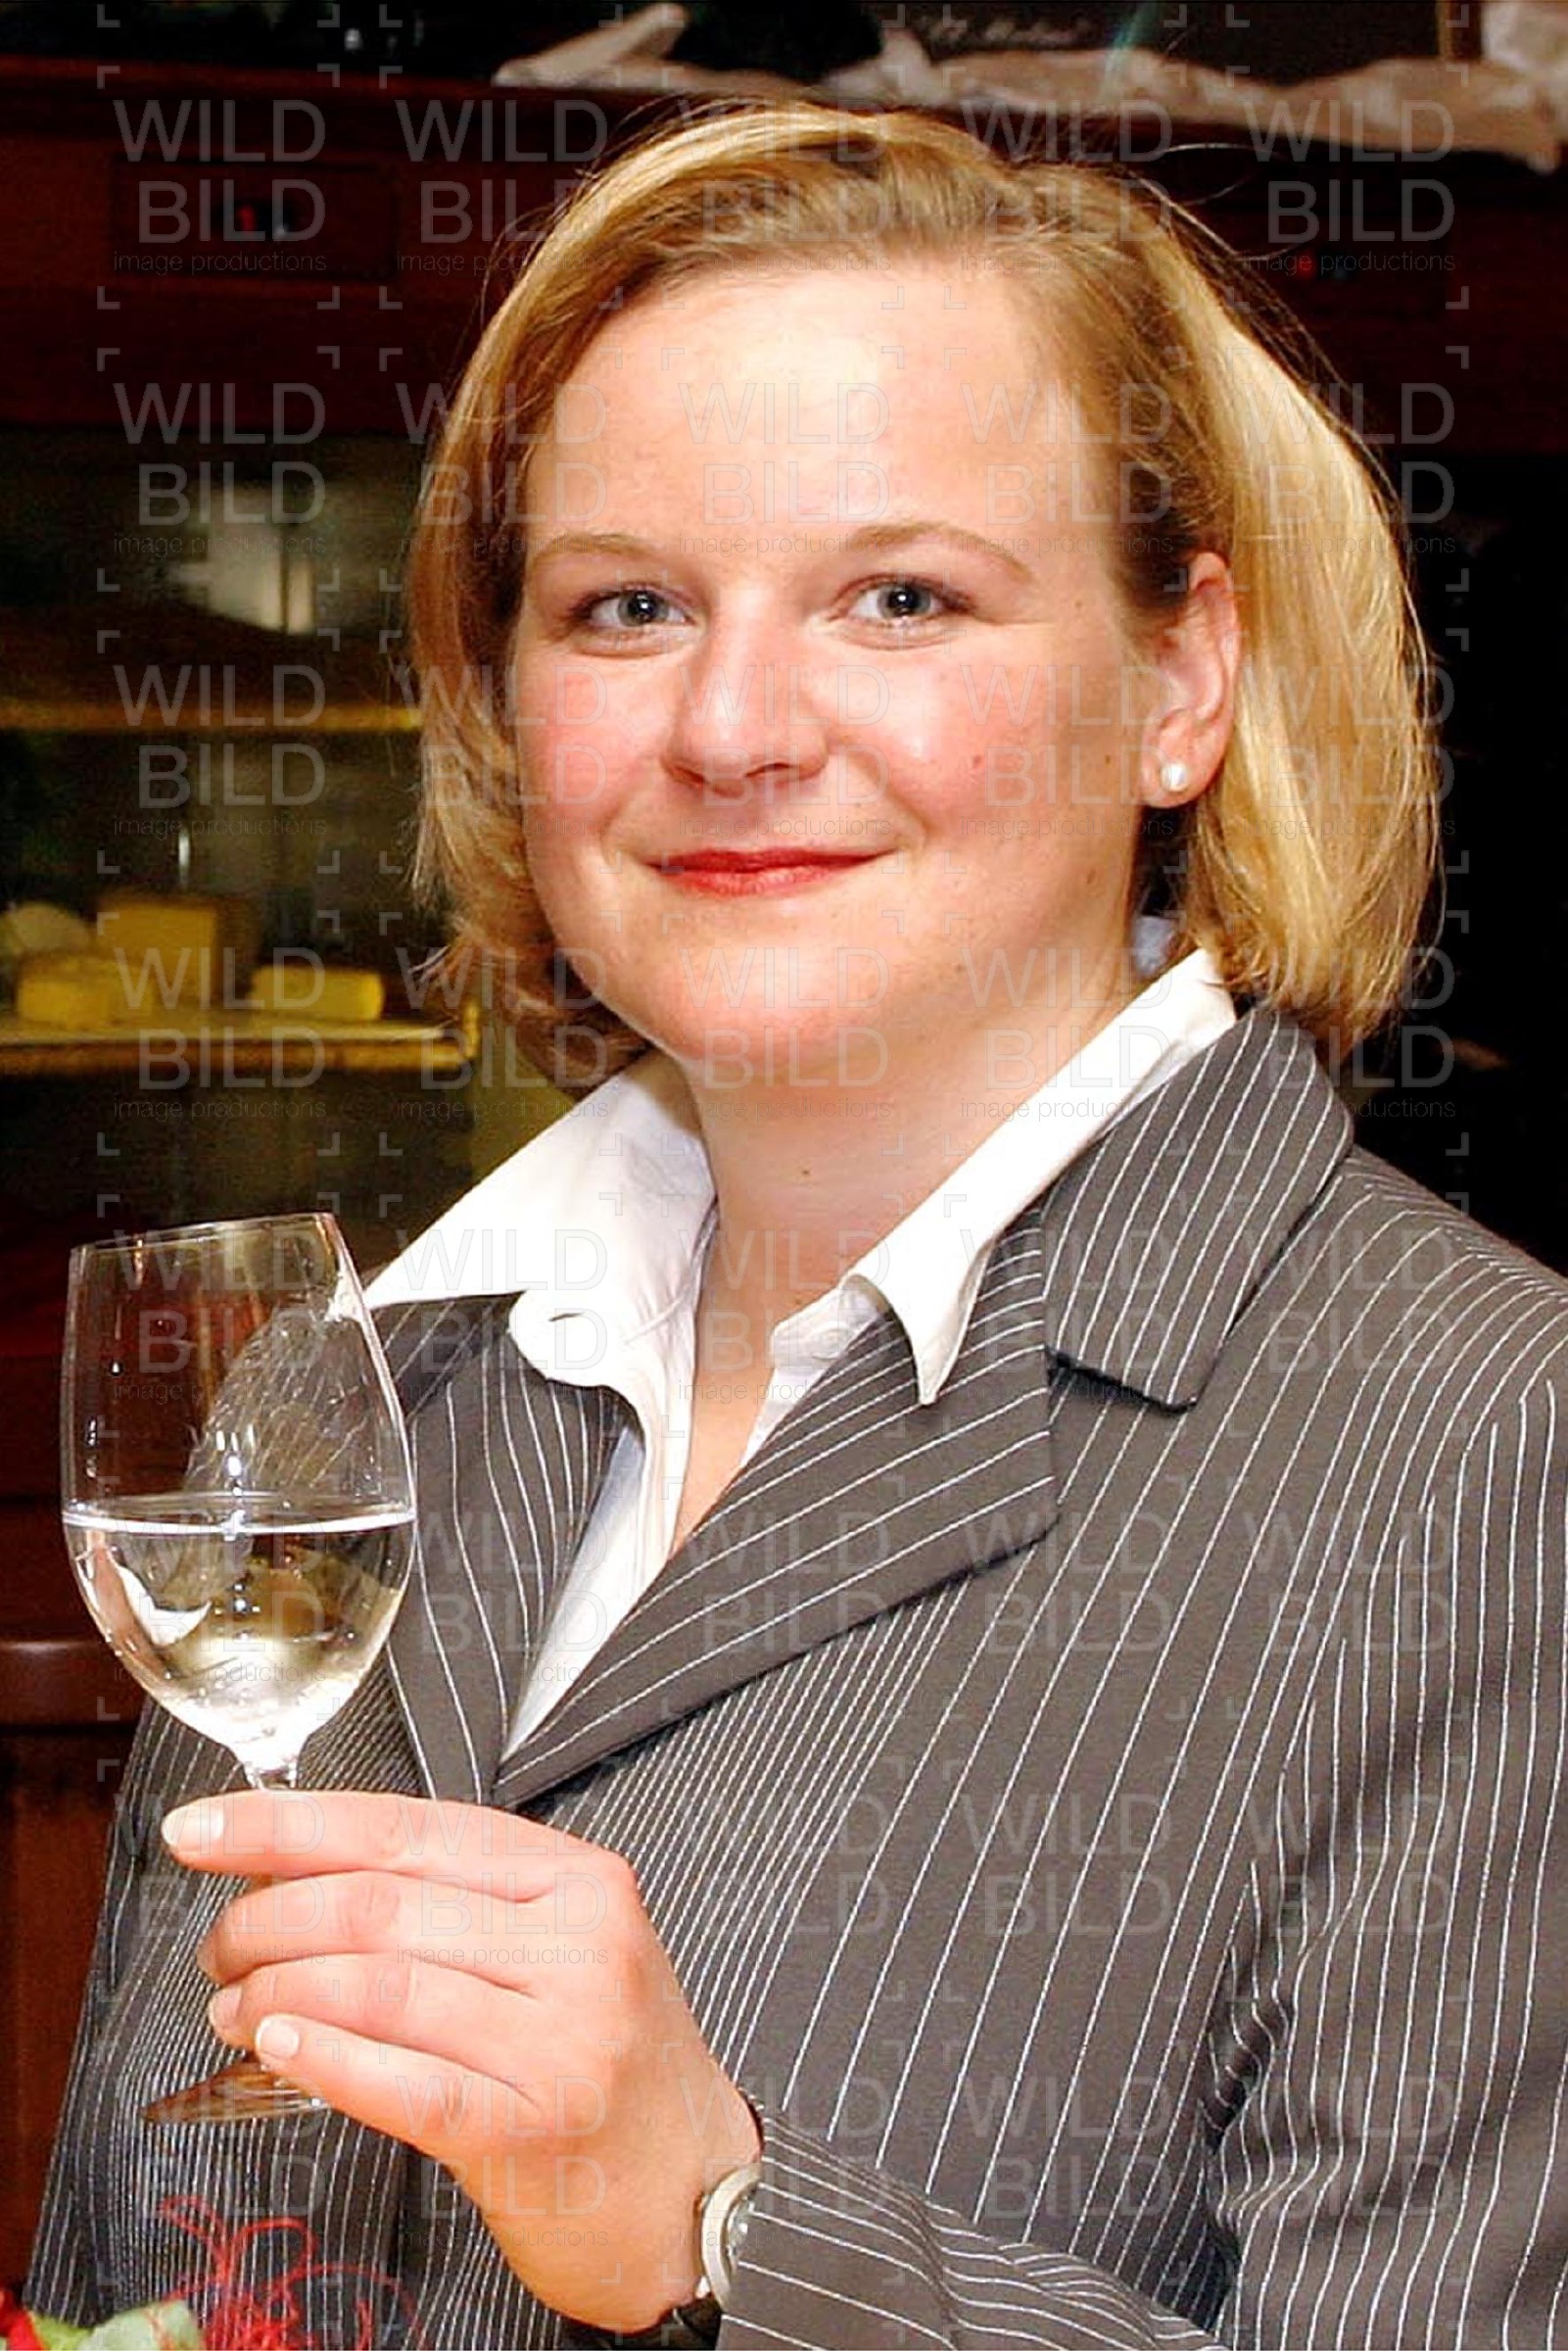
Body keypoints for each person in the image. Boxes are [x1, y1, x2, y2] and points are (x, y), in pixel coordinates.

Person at [31, 101, 1568, 2350]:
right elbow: (125, 2277)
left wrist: (727, 2228)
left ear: (1181, 681)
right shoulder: (353, 1399)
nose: (734, 726)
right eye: (628, 607)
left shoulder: (1488, 1452)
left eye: (901, 597)